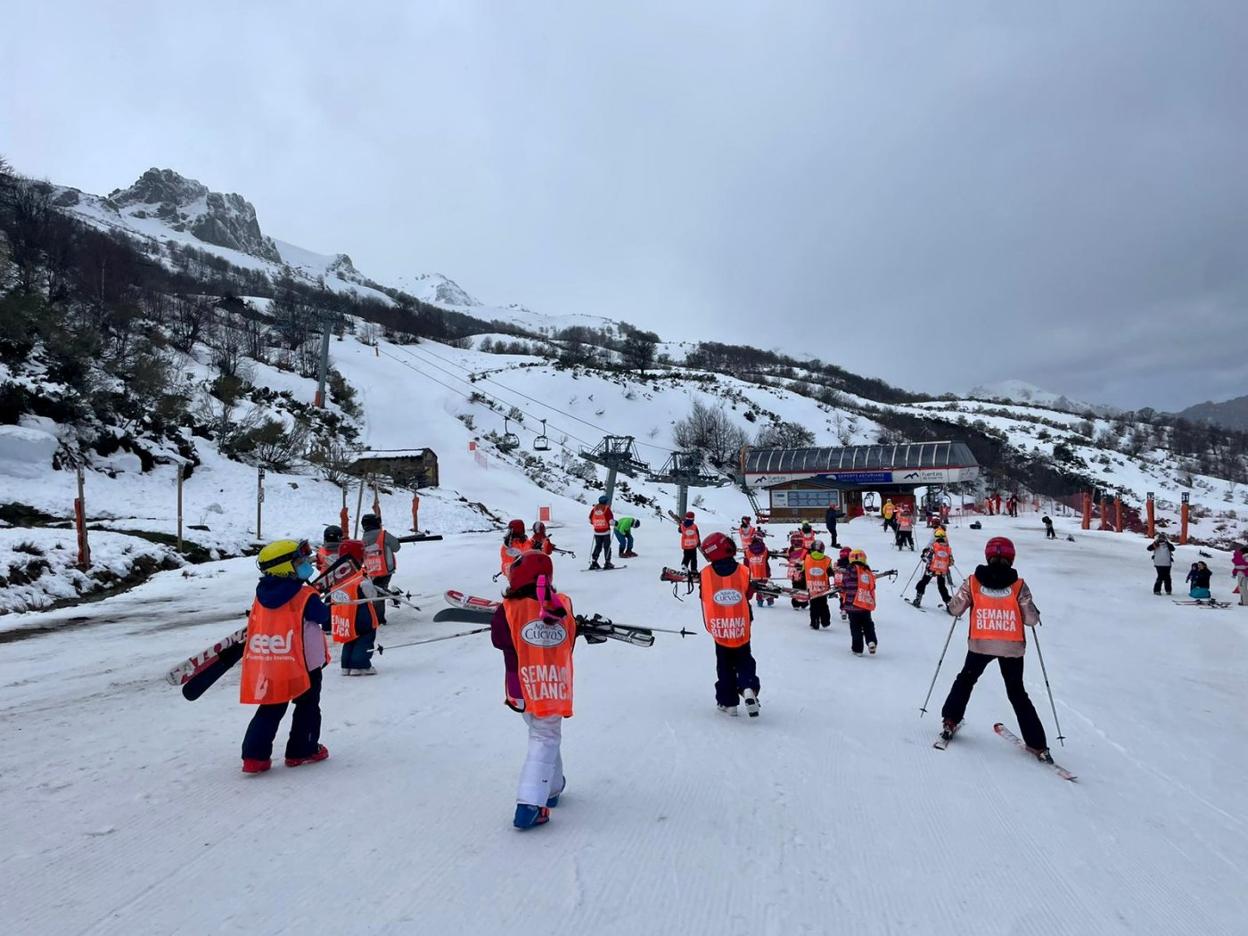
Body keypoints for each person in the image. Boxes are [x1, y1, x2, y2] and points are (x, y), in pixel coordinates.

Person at [938, 537, 1051, 762]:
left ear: (987, 556)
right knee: (1017, 692)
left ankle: (950, 720)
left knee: (966, 679)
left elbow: (955, 609)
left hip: (981, 643)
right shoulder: (1019, 585)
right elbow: (1030, 620)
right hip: (1011, 647)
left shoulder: (973, 582)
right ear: (1012, 557)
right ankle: (1038, 744)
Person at [489, 550, 578, 829]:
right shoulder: (562, 604)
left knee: (543, 733)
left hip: (520, 686)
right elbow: (570, 640)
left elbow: (499, 640)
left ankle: (552, 788)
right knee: (545, 736)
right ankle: (529, 803)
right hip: (550, 684)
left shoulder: (507, 608)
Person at [240, 539, 331, 774]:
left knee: (270, 707)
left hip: (273, 662)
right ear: (285, 567)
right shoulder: (305, 596)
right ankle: (303, 750)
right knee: (308, 706)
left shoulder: (261, 595)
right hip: (305, 664)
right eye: (299, 561)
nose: (305, 564)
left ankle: (254, 757)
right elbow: (324, 618)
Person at [697, 532, 761, 717]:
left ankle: (728, 702)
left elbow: (705, 597)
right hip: (740, 626)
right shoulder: (743, 570)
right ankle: (748, 686)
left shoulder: (705, 574)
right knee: (745, 659)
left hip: (720, 628)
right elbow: (747, 594)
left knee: (724, 666)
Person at [327, 543, 381, 676]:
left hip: (344, 615)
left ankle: (346, 665)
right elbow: (371, 595)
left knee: (350, 639)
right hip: (361, 614)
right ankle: (361, 665)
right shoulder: (360, 577)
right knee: (365, 637)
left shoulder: (336, 575)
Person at [361, 513, 401, 624]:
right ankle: (379, 619)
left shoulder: (362, 539)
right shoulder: (383, 535)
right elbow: (396, 547)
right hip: (385, 569)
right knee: (380, 592)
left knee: (378, 590)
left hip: (371, 570)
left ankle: (378, 617)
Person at [840, 549, 878, 655]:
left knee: (855, 627)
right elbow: (872, 586)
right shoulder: (867, 571)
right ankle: (871, 641)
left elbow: (844, 585)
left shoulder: (849, 570)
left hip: (852, 605)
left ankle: (857, 649)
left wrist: (842, 590)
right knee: (868, 625)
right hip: (865, 604)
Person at [913, 528, 954, 607]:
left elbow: (927, 557)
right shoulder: (948, 549)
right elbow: (951, 562)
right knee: (941, 586)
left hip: (931, 569)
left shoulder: (934, 546)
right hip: (942, 571)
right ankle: (948, 602)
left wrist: (924, 556)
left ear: (936, 537)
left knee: (923, 582)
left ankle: (918, 599)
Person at [803, 540, 833, 630]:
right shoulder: (827, 560)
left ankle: (814, 623)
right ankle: (825, 621)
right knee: (824, 604)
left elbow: (802, 570)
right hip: (823, 587)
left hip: (811, 587)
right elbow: (831, 572)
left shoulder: (806, 559)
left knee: (814, 605)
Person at [745, 536, 774, 607]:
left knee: (757, 587)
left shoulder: (747, 551)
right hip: (765, 572)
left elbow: (746, 562)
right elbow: (767, 558)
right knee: (766, 586)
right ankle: (769, 600)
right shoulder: (765, 549)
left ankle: (760, 600)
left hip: (754, 573)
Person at [588, 496, 615, 570]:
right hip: (606, 531)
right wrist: (616, 523)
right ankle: (607, 562)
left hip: (597, 531)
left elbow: (590, 520)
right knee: (607, 547)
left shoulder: (594, 509)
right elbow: (611, 522)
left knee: (598, 546)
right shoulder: (606, 509)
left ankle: (594, 562)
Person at [787, 530, 809, 610]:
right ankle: (804, 603)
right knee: (804, 587)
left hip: (793, 573)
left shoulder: (790, 551)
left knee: (795, 587)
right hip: (803, 573)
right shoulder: (805, 551)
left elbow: (788, 559)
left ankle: (795, 603)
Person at [834, 547, 852, 621]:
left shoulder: (837, 563)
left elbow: (834, 570)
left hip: (839, 583)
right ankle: (850, 612)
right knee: (850, 598)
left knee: (842, 597)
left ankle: (843, 609)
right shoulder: (851, 564)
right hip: (849, 584)